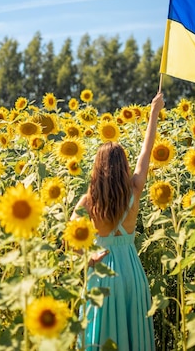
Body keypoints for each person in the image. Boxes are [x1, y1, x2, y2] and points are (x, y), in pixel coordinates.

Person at [71, 91, 164, 350]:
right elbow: (146, 151)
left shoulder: (87, 202)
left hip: (101, 272)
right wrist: (153, 113)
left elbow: (70, 241)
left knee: (99, 335)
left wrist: (87, 257)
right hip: (131, 272)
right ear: (123, 165)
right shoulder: (134, 190)